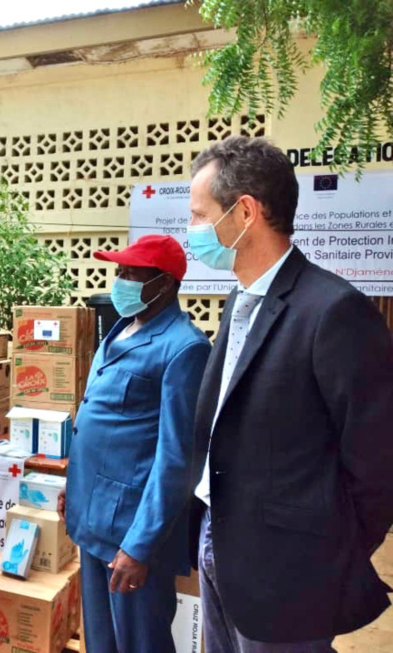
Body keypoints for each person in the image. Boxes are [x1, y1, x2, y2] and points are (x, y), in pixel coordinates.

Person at [188, 135, 393, 651]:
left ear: (245, 212)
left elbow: (377, 467)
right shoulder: (237, 303)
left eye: (199, 215)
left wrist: (320, 557)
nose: (192, 231)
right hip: (217, 545)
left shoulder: (332, 312)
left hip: (288, 576)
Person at [57, 235, 211, 653]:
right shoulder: (122, 330)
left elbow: (177, 460)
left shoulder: (184, 348)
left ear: (164, 284)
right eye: (119, 271)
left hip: (130, 528)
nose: (118, 281)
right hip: (93, 517)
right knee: (101, 641)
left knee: (139, 643)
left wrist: (140, 546)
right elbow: (98, 420)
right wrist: (74, 491)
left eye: (130, 274)